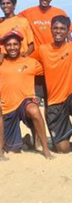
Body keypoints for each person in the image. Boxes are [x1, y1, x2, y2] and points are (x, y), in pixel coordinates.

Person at [0, 30, 53, 159]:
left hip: (25, 102)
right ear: (5, 47)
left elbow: (50, 71)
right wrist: (0, 55)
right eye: (9, 45)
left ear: (21, 45)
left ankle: (45, 148)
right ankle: (26, 141)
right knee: (13, 150)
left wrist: (38, 95)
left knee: (34, 110)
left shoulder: (31, 62)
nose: (12, 47)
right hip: (7, 107)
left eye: (15, 44)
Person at [38, 15, 72, 153]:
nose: (58, 31)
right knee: (62, 149)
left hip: (70, 96)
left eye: (62, 29)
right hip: (55, 103)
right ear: (51, 30)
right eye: (56, 28)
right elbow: (26, 63)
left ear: (68, 31)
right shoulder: (42, 49)